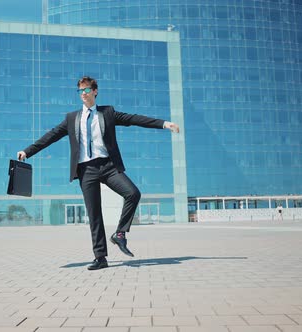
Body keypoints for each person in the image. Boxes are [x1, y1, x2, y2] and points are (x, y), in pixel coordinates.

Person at [17, 76, 180, 270]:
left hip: (108, 166)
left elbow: (134, 119)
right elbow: (51, 136)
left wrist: (164, 124)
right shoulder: (72, 118)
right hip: (86, 170)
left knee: (133, 193)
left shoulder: (107, 113)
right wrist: (28, 151)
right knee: (95, 214)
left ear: (95, 91)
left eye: (87, 90)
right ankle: (100, 257)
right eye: (80, 91)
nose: (83, 94)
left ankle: (120, 234)